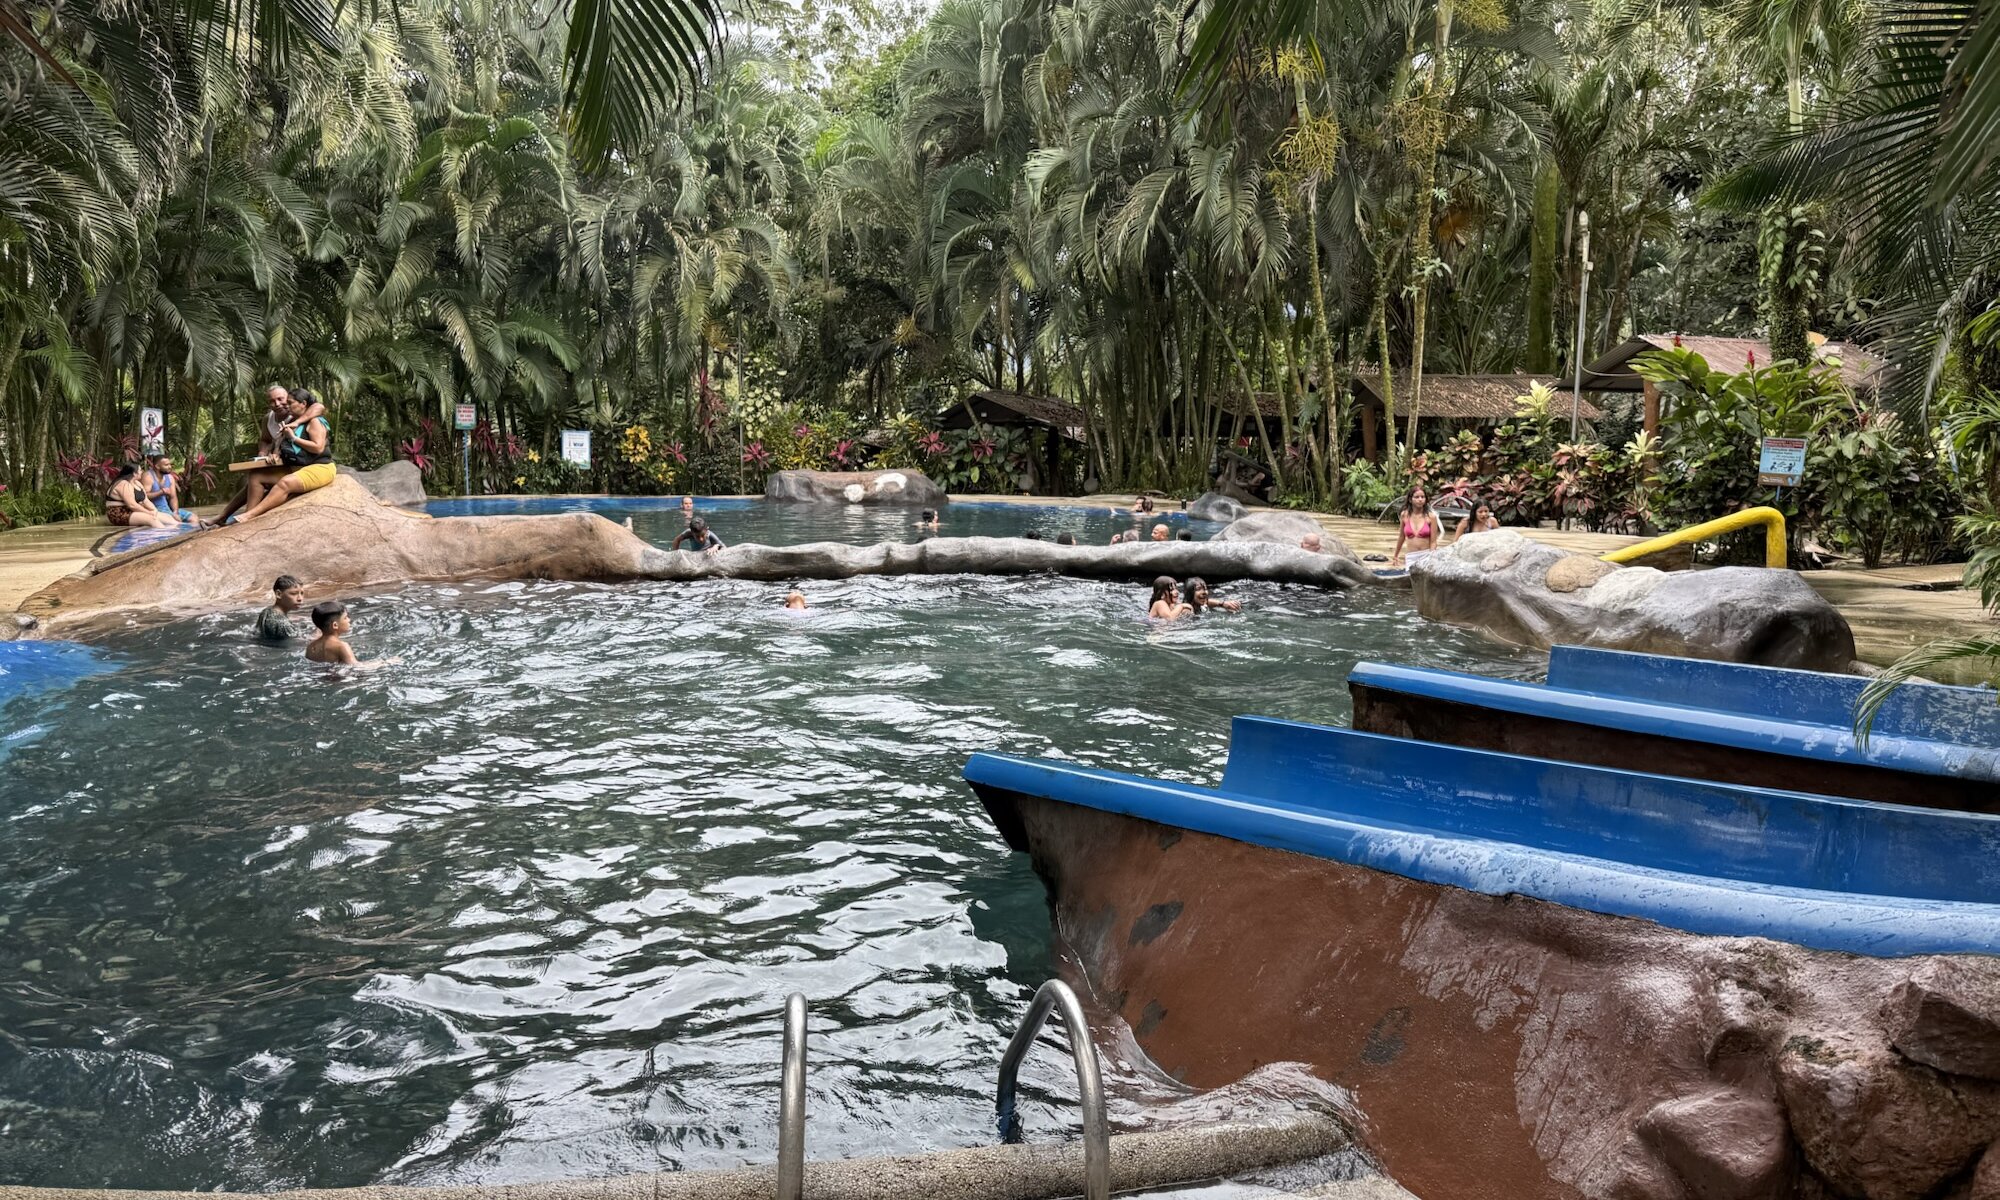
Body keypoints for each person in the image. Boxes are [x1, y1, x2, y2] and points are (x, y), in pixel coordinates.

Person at [220, 386, 326, 523]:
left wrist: (295, 424)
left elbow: (318, 407)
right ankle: (231, 517)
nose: (277, 404)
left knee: (281, 483)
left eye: (282, 399)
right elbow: (267, 440)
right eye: (272, 401)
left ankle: (247, 515)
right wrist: (263, 454)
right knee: (255, 477)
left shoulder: (300, 415)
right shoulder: (269, 418)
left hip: (308, 464)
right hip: (289, 462)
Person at [105, 464, 180, 529]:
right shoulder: (123, 484)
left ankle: (177, 532)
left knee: (168, 517)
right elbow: (132, 505)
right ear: (134, 473)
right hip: (119, 513)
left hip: (132, 511)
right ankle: (163, 538)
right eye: (140, 470)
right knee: (152, 519)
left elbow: (145, 500)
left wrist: (154, 510)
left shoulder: (137, 483)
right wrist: (148, 512)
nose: (142, 472)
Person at [1391, 485, 1440, 567]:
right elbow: (1401, 537)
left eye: (1422, 497)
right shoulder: (1404, 515)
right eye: (1417, 497)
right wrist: (1395, 555)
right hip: (1411, 557)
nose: (1420, 499)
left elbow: (1433, 542)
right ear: (1410, 499)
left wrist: (1431, 558)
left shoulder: (1431, 517)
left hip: (1426, 556)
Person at [145, 454, 198, 524]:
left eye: (170, 464)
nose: (170, 467)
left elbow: (173, 497)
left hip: (167, 510)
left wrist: (175, 512)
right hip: (155, 511)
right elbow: (144, 497)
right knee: (178, 523)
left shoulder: (170, 478)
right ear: (157, 466)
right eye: (166, 465)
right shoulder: (148, 476)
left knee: (193, 518)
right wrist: (160, 492)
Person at [258, 575, 307, 641]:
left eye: (302, 593)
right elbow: (299, 642)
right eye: (294, 593)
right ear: (278, 594)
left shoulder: (266, 611)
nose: (300, 598)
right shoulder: (283, 623)